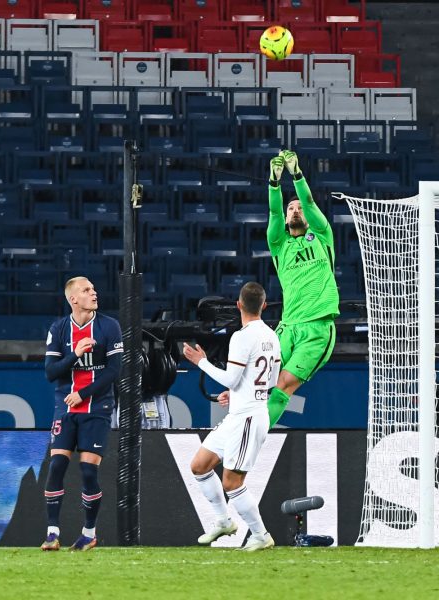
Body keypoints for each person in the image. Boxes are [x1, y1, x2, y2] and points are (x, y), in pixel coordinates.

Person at [184, 282, 280, 551]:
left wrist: (201, 362)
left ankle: (261, 535)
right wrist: (235, 393)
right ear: (264, 305)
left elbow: (231, 376)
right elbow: (270, 381)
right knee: (200, 465)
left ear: (238, 305)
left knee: (232, 482)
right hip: (243, 411)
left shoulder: (242, 336)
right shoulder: (272, 336)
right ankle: (223, 521)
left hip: (248, 417)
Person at [41, 277, 123, 551]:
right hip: (65, 407)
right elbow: (51, 372)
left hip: (97, 408)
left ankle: (89, 532)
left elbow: (114, 371)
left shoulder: (109, 326)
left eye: (93, 288)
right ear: (73, 299)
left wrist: (83, 394)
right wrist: (75, 354)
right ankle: (52, 533)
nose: (94, 292)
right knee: (56, 467)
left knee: (88, 471)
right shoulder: (59, 328)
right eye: (87, 290)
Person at [265, 150, 340, 427]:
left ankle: (255, 439)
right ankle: (239, 431)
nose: (295, 210)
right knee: (260, 382)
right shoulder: (278, 244)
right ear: (286, 219)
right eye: (290, 209)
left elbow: (307, 200)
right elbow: (273, 210)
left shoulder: (322, 236)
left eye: (298, 209)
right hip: (287, 327)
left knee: (283, 384)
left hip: (317, 329)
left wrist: (296, 175)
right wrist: (273, 183)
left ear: (307, 218)